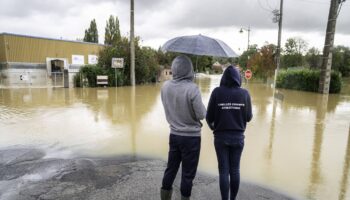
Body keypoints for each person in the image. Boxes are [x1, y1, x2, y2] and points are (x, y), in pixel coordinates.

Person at [160, 55, 206, 200]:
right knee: (187, 174)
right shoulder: (193, 89)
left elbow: (169, 108)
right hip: (191, 138)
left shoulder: (165, 87)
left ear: (174, 69)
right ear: (189, 70)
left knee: (171, 169)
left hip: (174, 135)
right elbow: (201, 114)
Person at [206, 65, 252, 200]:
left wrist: (213, 128)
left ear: (224, 77)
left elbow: (209, 117)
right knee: (235, 170)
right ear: (239, 78)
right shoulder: (244, 94)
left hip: (220, 138)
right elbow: (248, 117)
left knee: (223, 171)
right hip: (238, 138)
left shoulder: (216, 92)